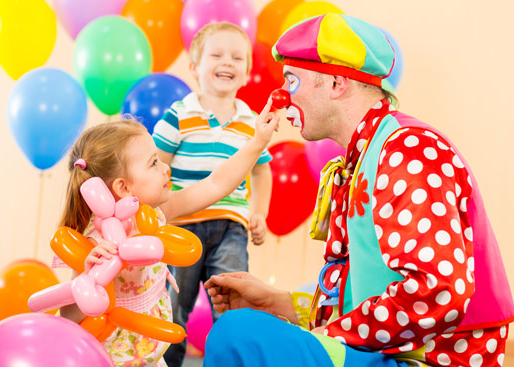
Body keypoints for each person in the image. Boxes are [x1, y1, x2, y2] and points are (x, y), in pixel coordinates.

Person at [203, 13, 514, 367]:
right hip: (395, 353)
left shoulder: (407, 149)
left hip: (427, 361)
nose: (281, 97)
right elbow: (365, 289)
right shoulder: (367, 155)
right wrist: (281, 303)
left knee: (238, 335)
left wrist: (322, 337)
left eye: (291, 81)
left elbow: (436, 290)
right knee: (248, 326)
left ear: (337, 84)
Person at [55, 107, 278, 367]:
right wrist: (87, 275)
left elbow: (216, 184)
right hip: (110, 357)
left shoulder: (155, 215)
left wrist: (258, 142)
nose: (165, 168)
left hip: (151, 351)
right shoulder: (96, 242)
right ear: (123, 187)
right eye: (153, 163)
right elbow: (69, 318)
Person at [152, 22, 273, 366]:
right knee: (174, 309)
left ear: (247, 72)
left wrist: (258, 212)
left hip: (231, 227)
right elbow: (157, 165)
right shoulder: (180, 114)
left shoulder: (251, 122)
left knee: (234, 305)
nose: (228, 62)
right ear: (194, 68)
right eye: (217, 55)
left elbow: (262, 169)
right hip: (181, 227)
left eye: (237, 58)